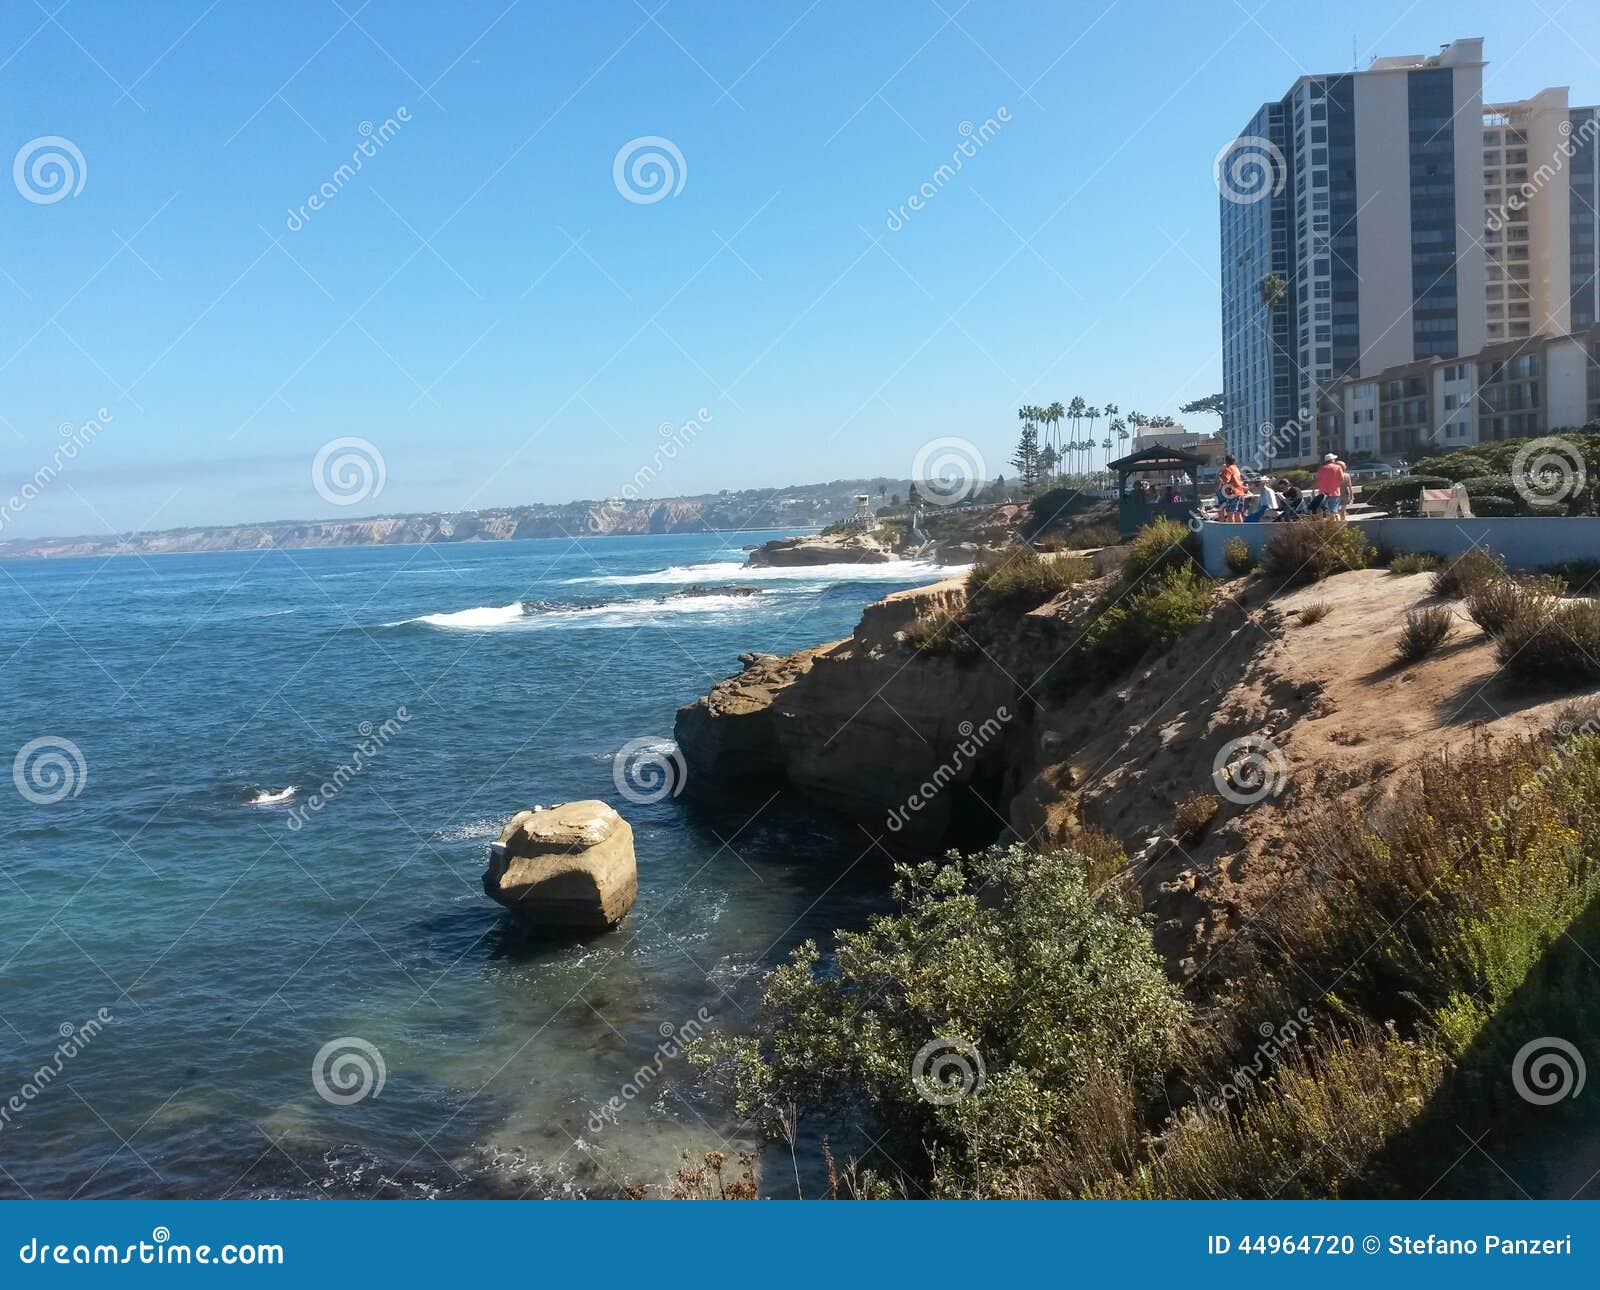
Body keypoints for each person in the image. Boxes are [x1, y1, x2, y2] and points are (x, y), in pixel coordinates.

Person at [1315, 453, 1350, 523]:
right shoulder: (1337, 467)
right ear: (1332, 460)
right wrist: (1336, 485)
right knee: (1333, 511)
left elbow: (1318, 480)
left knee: (1325, 511)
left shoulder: (1321, 468)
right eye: (1334, 459)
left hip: (1322, 493)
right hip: (1334, 492)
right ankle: (1333, 526)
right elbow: (1342, 479)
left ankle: (1327, 526)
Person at [1217, 455, 1247, 523]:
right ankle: (1240, 530)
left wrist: (1220, 474)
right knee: (1238, 514)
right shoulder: (1236, 468)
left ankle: (1232, 531)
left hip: (1233, 494)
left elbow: (1226, 480)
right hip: (1241, 493)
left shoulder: (1228, 469)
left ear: (1226, 461)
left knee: (1230, 513)